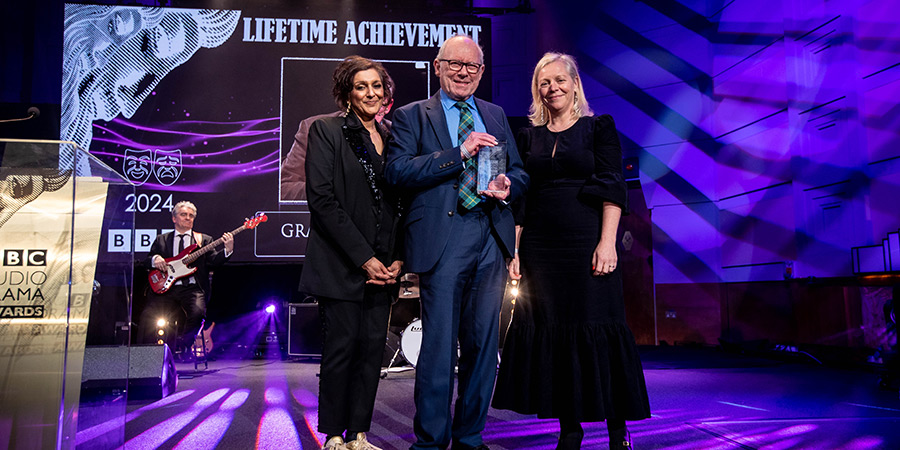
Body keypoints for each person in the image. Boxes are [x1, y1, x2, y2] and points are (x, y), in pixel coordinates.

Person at [491, 52, 651, 449]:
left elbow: (614, 186)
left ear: (575, 83)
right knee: (556, 336)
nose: (553, 88)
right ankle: (570, 429)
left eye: (560, 80)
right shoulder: (528, 136)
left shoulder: (599, 128)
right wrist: (515, 251)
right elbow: (522, 200)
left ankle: (617, 431)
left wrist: (607, 241)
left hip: (587, 243)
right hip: (542, 251)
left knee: (600, 330)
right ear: (537, 90)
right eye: (545, 83)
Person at [385, 35, 529, 450]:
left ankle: (470, 437)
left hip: (491, 234)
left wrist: (508, 185)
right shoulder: (414, 116)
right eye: (455, 64)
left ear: (482, 72)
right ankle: (431, 441)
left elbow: (519, 172)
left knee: (484, 346)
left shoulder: (496, 114)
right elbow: (398, 172)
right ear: (438, 66)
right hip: (443, 238)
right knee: (439, 347)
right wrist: (458, 152)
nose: (464, 72)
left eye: (472, 66)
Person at [299, 56, 404, 450]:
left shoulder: (394, 137)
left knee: (371, 353)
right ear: (347, 92)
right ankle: (334, 436)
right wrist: (365, 259)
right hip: (342, 265)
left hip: (385, 267)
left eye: (377, 86)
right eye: (362, 86)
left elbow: (403, 202)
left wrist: (397, 258)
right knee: (341, 352)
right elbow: (323, 202)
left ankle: (360, 434)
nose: (371, 93)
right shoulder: (326, 131)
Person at [139, 201, 233, 353]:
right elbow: (146, 261)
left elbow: (214, 261)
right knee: (148, 317)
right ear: (174, 218)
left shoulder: (203, 240)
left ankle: (181, 346)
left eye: (191, 216)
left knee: (198, 313)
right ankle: (146, 355)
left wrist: (227, 250)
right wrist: (155, 259)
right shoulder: (161, 240)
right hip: (166, 288)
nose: (188, 218)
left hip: (192, 288)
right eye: (183, 215)